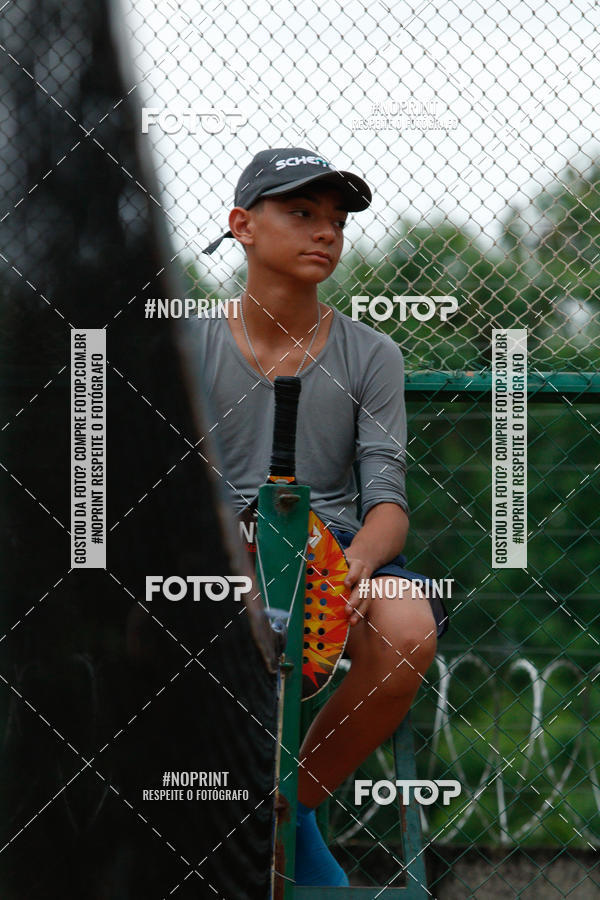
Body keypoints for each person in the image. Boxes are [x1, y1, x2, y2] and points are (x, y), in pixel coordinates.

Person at [197, 148, 448, 887]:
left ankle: (282, 810)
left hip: (333, 543)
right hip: (216, 549)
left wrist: (355, 567)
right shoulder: (187, 342)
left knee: (407, 628)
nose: (325, 234)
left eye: (335, 221)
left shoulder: (374, 354)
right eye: (301, 214)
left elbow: (389, 507)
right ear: (242, 225)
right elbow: (167, 495)